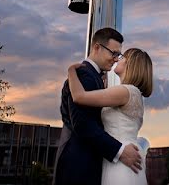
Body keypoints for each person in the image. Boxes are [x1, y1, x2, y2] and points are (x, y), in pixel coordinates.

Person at [53, 28, 143, 185]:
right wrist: (119, 151)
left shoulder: (93, 76)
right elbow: (82, 123)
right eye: (113, 53)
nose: (115, 59)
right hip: (79, 167)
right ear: (97, 47)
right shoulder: (84, 74)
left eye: (118, 55)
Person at [67, 46, 153, 185]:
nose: (118, 59)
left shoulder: (125, 92)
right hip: (123, 154)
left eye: (122, 57)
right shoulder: (133, 93)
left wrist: (71, 71)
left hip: (122, 158)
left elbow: (79, 97)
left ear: (130, 65)